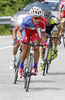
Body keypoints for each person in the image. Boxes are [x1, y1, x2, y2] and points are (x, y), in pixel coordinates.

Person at [18, 6, 48, 78]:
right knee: (25, 50)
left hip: (35, 32)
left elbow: (43, 33)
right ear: (31, 16)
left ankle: (35, 66)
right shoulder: (26, 21)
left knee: (37, 48)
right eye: (35, 18)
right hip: (26, 32)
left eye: (39, 17)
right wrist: (21, 39)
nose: (37, 20)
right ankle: (21, 68)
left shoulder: (43, 21)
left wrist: (44, 42)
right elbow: (19, 31)